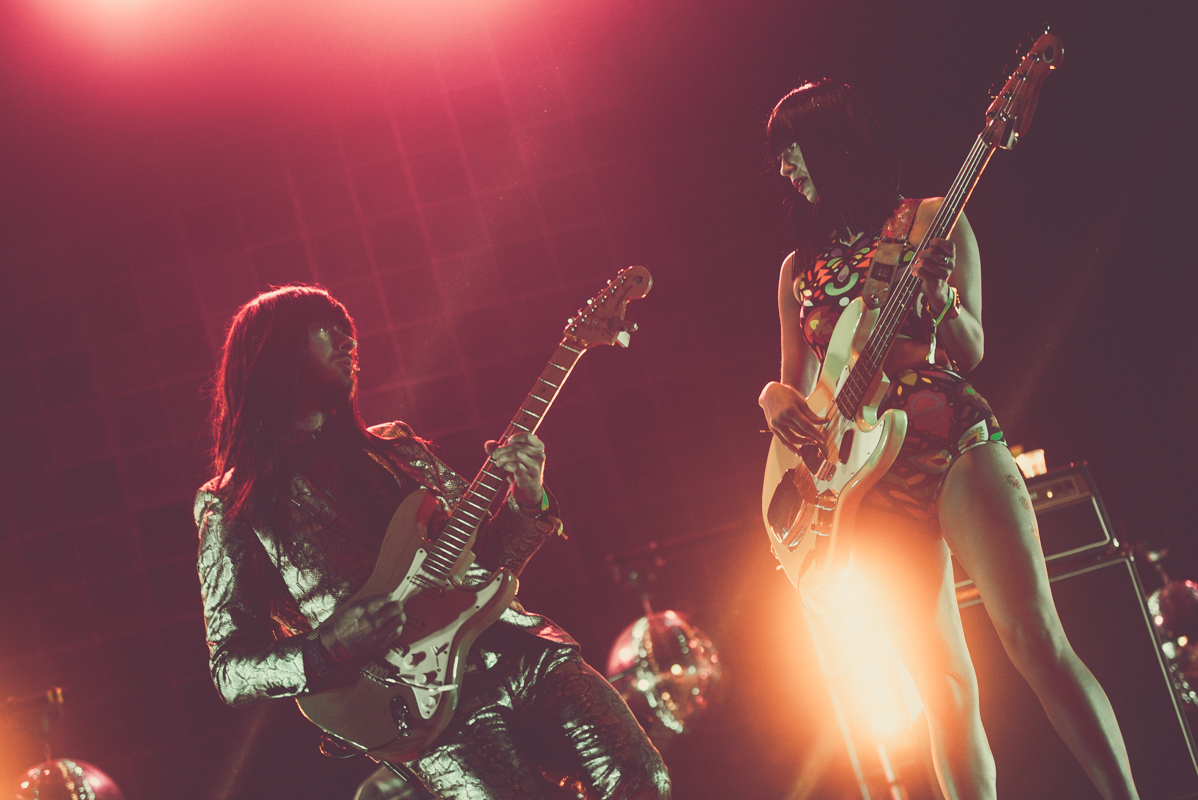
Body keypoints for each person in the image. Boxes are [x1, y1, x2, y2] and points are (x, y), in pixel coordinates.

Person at [757, 80, 1139, 800]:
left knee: (1033, 640)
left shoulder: (932, 219)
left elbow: (970, 347)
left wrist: (941, 302)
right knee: (943, 687)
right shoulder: (795, 273)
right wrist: (772, 397)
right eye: (777, 157)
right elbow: (799, 392)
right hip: (866, 478)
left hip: (948, 433)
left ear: (832, 141)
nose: (783, 168)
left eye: (791, 149)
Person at [195, 284, 670, 800]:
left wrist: (527, 498)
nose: (348, 342)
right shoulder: (233, 503)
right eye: (325, 329)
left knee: (645, 782)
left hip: (522, 652)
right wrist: (330, 644)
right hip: (425, 708)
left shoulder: (396, 448)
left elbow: (485, 561)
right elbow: (230, 671)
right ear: (273, 350)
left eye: (347, 330)